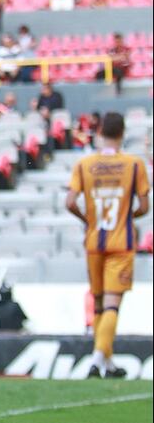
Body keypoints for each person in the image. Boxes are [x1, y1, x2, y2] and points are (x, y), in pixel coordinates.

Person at [65, 112, 150, 378]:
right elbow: (144, 206)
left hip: (94, 241)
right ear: (123, 133)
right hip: (121, 243)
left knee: (99, 305)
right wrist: (127, 216)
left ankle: (108, 364)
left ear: (100, 132)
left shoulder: (84, 164)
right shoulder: (134, 164)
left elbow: (70, 202)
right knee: (113, 305)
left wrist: (88, 219)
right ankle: (97, 359)